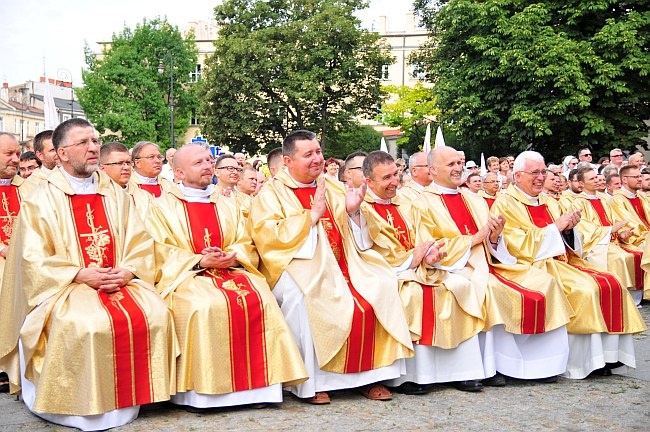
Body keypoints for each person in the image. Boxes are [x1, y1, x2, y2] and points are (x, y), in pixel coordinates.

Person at [0, 119, 177, 430]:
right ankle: (73, 404)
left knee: (157, 312)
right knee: (85, 323)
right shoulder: (40, 198)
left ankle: (134, 397)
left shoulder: (116, 194)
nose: (94, 147)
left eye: (95, 141)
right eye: (84, 142)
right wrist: (79, 273)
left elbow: (139, 239)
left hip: (116, 278)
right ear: (63, 153)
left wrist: (127, 270)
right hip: (64, 286)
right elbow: (32, 257)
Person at [249, 130, 413, 404]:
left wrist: (353, 212)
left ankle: (371, 377)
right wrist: (310, 217)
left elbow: (363, 236)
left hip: (346, 262)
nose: (317, 159)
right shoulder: (271, 193)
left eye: (318, 152)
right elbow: (268, 237)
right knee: (305, 297)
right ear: (288, 161)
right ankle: (313, 382)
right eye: (308, 154)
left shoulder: (334, 187)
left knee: (382, 284)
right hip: (300, 265)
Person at [145, 143, 306, 409]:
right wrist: (198, 261)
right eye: (199, 163)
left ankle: (260, 389)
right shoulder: (161, 207)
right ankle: (204, 392)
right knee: (203, 305)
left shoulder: (227, 203)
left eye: (209, 160)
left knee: (261, 298)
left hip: (231, 269)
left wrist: (235, 254)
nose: (208, 166)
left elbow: (246, 239)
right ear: (179, 173)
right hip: (188, 277)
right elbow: (157, 250)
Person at [418, 146, 573, 385]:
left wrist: (494, 237)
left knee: (544, 282)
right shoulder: (422, 203)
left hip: (489, 262)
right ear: (432, 169)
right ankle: (486, 367)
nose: (459, 168)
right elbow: (428, 243)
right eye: (451, 165)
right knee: (487, 289)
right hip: (454, 266)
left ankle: (542, 364)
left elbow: (494, 242)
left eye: (460, 163)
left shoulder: (475, 199)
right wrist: (473, 240)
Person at [491, 150, 646, 379]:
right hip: (534, 266)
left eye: (544, 172)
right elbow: (513, 244)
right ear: (518, 175)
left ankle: (608, 356)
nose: (541, 177)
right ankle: (584, 361)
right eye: (535, 172)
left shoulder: (548, 200)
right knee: (585, 290)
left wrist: (570, 228)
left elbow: (571, 237)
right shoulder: (505, 202)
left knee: (611, 282)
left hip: (564, 260)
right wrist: (556, 228)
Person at [361, 151, 489, 393]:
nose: (394, 182)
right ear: (369, 182)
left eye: (395, 175)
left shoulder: (408, 204)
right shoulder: (363, 209)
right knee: (413, 295)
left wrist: (430, 253)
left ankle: (461, 371)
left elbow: (424, 235)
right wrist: (411, 258)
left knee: (458, 287)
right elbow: (369, 249)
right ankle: (412, 376)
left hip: (420, 267)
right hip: (389, 271)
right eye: (386, 178)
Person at [571, 167, 643, 303]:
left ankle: (637, 298)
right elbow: (583, 229)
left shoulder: (603, 199)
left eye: (597, 177)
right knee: (622, 258)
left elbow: (614, 220)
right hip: (596, 245)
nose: (597, 180)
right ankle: (621, 297)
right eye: (592, 179)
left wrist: (622, 234)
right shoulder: (578, 203)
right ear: (581, 184)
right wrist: (610, 230)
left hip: (613, 241)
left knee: (639, 253)